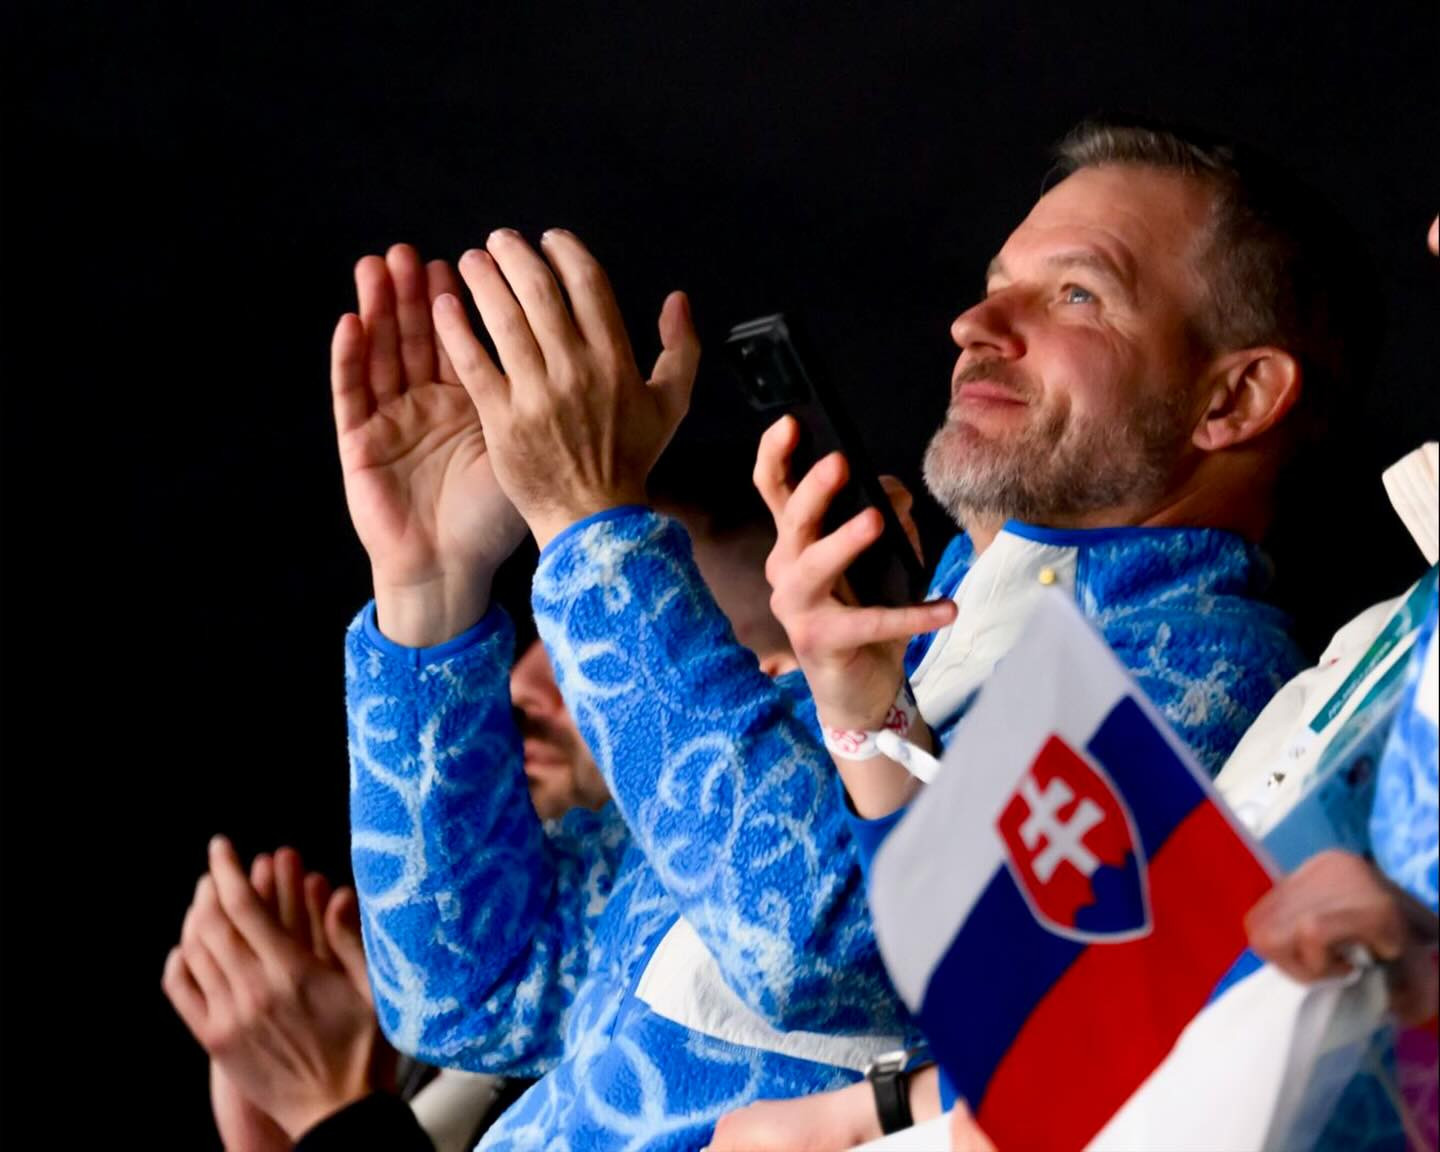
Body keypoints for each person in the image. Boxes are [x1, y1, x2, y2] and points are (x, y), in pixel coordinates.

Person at [338, 118, 1344, 1148]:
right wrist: (432, 590)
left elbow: (828, 957)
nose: (977, 323)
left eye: (1077, 294)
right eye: (997, 283)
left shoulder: (1205, 669)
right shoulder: (888, 636)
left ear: (1234, 397)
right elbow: (479, 990)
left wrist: (592, 530)